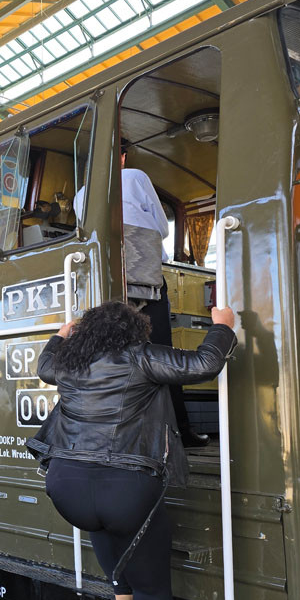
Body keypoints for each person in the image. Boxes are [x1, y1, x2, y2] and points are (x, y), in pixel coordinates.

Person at [27, 301, 236, 600]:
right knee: (154, 588)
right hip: (124, 485)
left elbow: (44, 364)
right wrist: (222, 326)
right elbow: (204, 364)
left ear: (87, 334)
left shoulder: (68, 362)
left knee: (99, 524)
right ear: (134, 332)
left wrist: (60, 333)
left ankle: (121, 598)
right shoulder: (142, 357)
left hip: (65, 485)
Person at [74, 140, 208, 447]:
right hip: (145, 277)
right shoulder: (135, 177)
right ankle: (180, 431)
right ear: (121, 158)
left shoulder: (81, 196)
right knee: (161, 351)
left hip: (107, 285)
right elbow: (162, 228)